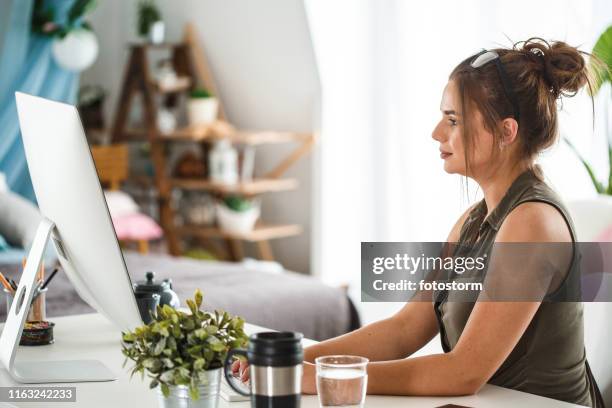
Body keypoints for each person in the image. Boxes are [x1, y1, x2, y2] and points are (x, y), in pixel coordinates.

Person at [233, 38, 604, 407]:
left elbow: (463, 372)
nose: (437, 133)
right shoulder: (475, 221)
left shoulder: (534, 223)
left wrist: (325, 376)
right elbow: (405, 329)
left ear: (506, 132)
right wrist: (299, 358)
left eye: (453, 120)